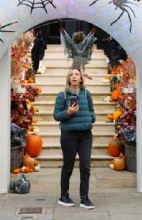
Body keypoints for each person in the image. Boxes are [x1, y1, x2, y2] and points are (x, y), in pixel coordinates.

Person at [53, 68, 96, 210]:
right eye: (71, 74)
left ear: (81, 78)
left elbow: (92, 111)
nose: (74, 76)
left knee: (85, 167)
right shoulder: (62, 95)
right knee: (68, 167)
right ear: (68, 78)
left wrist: (91, 118)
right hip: (69, 136)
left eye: (77, 74)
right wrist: (68, 112)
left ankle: (85, 198)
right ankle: (63, 195)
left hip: (85, 135)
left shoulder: (86, 94)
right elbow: (56, 115)